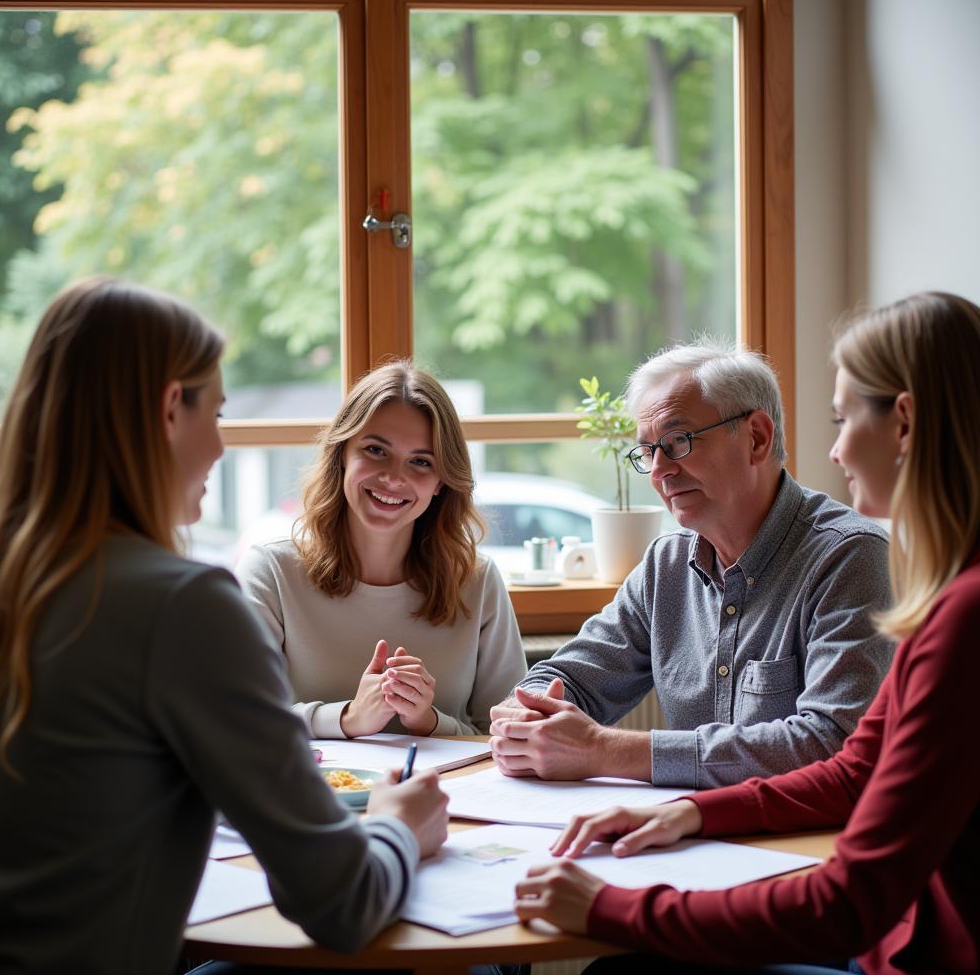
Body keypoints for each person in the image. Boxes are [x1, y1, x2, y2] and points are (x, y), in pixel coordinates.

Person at [0, 278, 448, 975]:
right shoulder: (183, 606)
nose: (220, 447)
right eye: (215, 414)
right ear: (168, 411)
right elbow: (342, 902)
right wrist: (400, 825)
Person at [512, 291, 980, 974]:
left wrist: (610, 908)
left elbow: (851, 900)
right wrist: (692, 815)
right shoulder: (950, 598)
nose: (835, 447)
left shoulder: (953, 611)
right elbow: (855, 771)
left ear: (903, 424)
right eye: (650, 452)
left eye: (844, 418)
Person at [490, 340, 894, 787]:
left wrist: (604, 750)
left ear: (757, 438)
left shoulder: (850, 555)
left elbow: (831, 743)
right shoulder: (666, 564)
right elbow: (574, 676)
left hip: (804, 839)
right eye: (648, 452)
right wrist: (523, 711)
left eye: (677, 442)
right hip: (693, 833)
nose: (659, 470)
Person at [237, 360, 526, 738]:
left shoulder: (477, 580)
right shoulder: (269, 572)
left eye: (421, 462)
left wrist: (430, 721)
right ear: (342, 454)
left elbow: (505, 733)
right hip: (310, 794)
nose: (394, 478)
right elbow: (235, 717)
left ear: (441, 482)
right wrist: (346, 720)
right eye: (375, 450)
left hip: (446, 795)